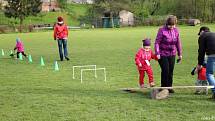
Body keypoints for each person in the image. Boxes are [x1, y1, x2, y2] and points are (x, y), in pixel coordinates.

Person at [154, 15, 182, 93]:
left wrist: (180, 54)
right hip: (162, 54)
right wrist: (157, 52)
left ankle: (169, 87)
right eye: (170, 25)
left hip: (172, 53)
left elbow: (178, 43)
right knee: (165, 70)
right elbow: (157, 42)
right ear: (167, 24)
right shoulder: (162, 30)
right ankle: (163, 87)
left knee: (170, 71)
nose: (171, 27)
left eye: (173, 25)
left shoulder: (176, 30)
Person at [197, 26, 215, 99]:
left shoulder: (202, 36)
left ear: (202, 31)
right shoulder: (213, 34)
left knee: (209, 74)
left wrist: (200, 64)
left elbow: (201, 51)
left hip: (212, 55)